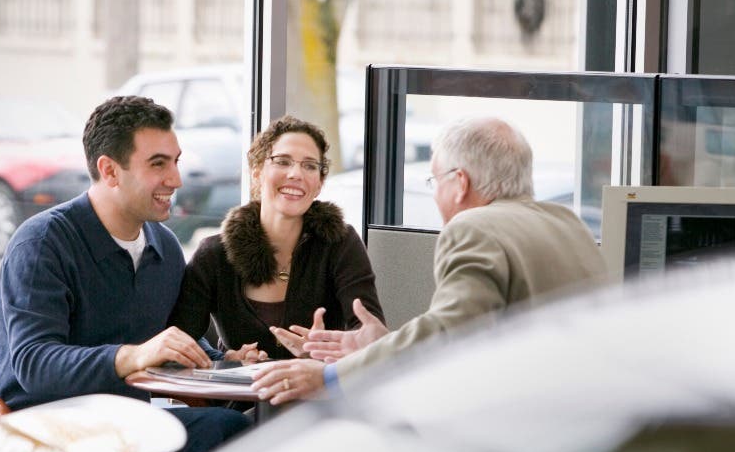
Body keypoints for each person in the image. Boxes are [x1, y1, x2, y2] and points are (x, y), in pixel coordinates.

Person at [250, 116, 608, 403]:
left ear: (460, 182)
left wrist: (330, 377)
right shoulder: (568, 224)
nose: (436, 195)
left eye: (435, 180)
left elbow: (449, 331)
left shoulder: (474, 226)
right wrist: (380, 345)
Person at [0, 95, 251, 452]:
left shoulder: (164, 248)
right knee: (222, 434)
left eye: (176, 162)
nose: (176, 179)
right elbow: (34, 363)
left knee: (241, 430)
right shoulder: (42, 243)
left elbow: (166, 336)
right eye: (158, 164)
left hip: (119, 427)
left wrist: (223, 362)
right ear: (110, 171)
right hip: (33, 433)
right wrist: (134, 356)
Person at [169, 115, 383, 362]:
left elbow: (369, 335)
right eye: (282, 161)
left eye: (310, 166)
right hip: (240, 399)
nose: (296, 174)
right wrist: (225, 361)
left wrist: (326, 356)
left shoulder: (340, 243)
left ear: (320, 183)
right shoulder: (214, 254)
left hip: (319, 397)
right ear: (257, 171)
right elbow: (179, 342)